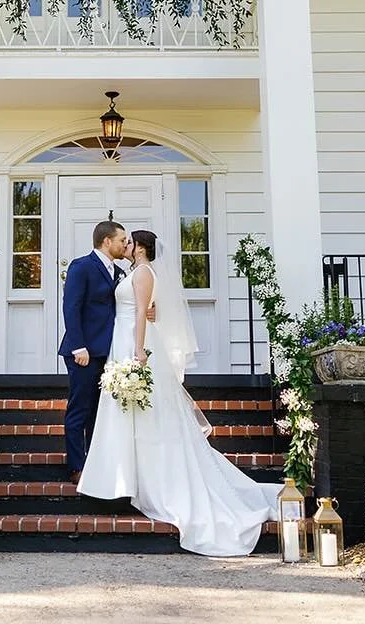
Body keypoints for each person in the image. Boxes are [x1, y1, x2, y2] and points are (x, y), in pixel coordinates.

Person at [77, 228, 282, 556]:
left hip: (133, 342)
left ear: (140, 248)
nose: (125, 245)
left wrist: (138, 350)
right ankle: (122, 477)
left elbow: (141, 312)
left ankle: (144, 480)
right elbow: (143, 308)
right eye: (123, 241)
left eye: (130, 242)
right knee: (130, 411)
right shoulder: (134, 272)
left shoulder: (143, 272)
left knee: (144, 411)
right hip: (122, 339)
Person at [57, 220, 130, 484]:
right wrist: (79, 346)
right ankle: (76, 467)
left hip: (107, 353)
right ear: (107, 241)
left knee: (99, 411)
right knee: (80, 409)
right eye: (122, 240)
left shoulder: (119, 271)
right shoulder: (81, 266)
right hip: (83, 352)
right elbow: (71, 307)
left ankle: (95, 464)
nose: (126, 244)